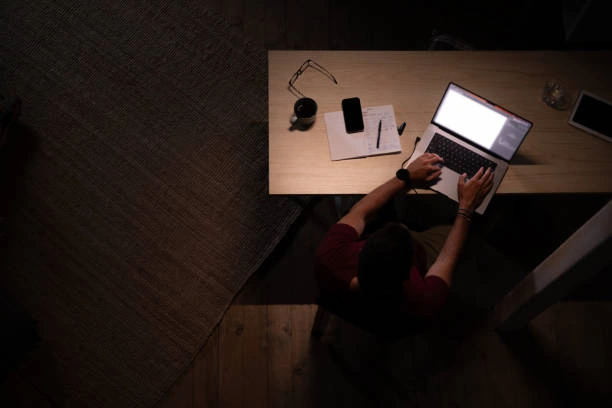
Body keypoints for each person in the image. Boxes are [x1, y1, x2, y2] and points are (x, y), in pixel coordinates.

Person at [315, 153, 494, 320]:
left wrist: (405, 176)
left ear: (361, 253)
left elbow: (360, 211)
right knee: (464, 230)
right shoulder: (424, 302)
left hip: (352, 310)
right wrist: (466, 207)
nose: (400, 227)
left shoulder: (328, 257)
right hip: (422, 251)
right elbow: (445, 259)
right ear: (409, 272)